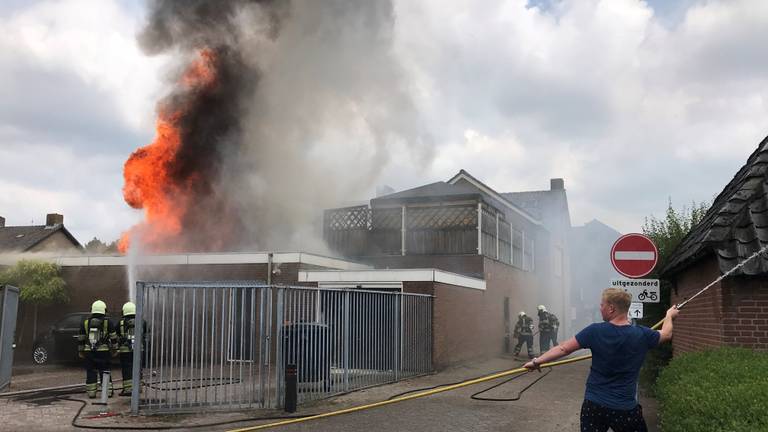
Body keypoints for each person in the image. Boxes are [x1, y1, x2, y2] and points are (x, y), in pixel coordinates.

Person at [524, 288, 679, 432]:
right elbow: (666, 334)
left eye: (602, 304)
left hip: (594, 407)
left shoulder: (594, 331)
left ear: (611, 308)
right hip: (625, 409)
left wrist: (537, 362)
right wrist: (669, 315)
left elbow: (563, 348)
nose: (600, 308)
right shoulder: (643, 334)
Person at [78, 300, 118, 398]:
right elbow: (113, 337)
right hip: (103, 352)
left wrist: (81, 351)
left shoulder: (86, 323)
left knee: (91, 371)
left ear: (92, 310)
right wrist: (115, 350)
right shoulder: (108, 322)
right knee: (105, 371)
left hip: (89, 352)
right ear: (104, 310)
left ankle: (91, 393)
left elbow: (81, 338)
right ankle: (107, 392)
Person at [117, 302, 137, 396]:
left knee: (126, 369)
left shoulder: (120, 323)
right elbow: (146, 334)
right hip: (138, 350)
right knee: (137, 368)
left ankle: (128, 389)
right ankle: (138, 388)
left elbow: (115, 336)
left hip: (125, 351)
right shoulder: (142, 321)